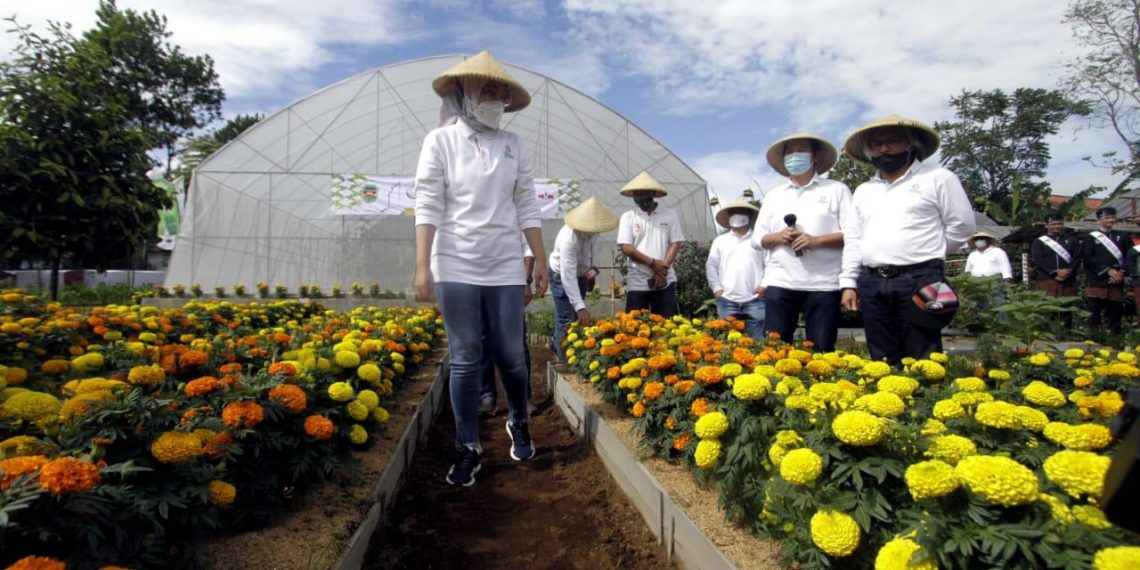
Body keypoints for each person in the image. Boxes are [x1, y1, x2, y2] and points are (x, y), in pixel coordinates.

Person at [413, 51, 548, 487]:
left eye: (501, 93)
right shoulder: (440, 142)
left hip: (505, 263)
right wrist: (422, 265)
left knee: (511, 353)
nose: (497, 99)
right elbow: (428, 202)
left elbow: (526, 203)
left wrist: (539, 259)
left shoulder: (514, 145)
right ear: (465, 93)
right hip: (455, 261)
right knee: (466, 355)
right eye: (488, 90)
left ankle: (518, 421)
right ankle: (468, 447)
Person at [839, 115, 976, 364]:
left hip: (919, 279)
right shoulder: (864, 190)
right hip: (872, 281)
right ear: (870, 151)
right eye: (877, 144)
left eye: (893, 141)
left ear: (911, 145)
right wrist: (849, 282)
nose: (884, 148)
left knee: (923, 356)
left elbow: (963, 225)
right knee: (881, 358)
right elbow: (854, 239)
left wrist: (930, 252)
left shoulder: (937, 177)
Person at [754, 133, 852, 351]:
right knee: (774, 351)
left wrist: (816, 240)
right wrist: (777, 237)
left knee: (821, 351)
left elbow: (852, 233)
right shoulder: (774, 196)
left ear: (815, 156)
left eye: (800, 151)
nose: (794, 156)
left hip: (823, 283)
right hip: (781, 282)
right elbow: (757, 239)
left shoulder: (836, 190)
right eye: (789, 152)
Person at [549, 196, 619, 360]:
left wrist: (590, 274)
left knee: (574, 318)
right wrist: (581, 307)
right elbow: (567, 276)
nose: (596, 230)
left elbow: (590, 253)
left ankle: (556, 346)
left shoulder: (593, 233)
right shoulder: (569, 239)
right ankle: (564, 362)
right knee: (567, 320)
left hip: (580, 274)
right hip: (561, 276)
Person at [478, 241, 537, 416]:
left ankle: (522, 396)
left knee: (516, 341)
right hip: (477, 280)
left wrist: (526, 280)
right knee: (482, 339)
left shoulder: (514, 222)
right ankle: (486, 395)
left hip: (510, 282)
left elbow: (528, 247)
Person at [616, 171, 685, 316]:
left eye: (642, 194)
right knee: (634, 325)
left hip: (665, 281)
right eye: (636, 195)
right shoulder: (628, 216)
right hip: (637, 282)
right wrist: (653, 263)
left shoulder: (669, 214)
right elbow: (627, 248)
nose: (639, 198)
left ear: (652, 193)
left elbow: (676, 243)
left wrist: (662, 271)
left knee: (665, 325)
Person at [707, 199, 766, 339]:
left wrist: (764, 286)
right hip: (727, 299)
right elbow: (711, 265)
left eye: (741, 211)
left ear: (750, 216)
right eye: (732, 212)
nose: (736, 215)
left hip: (755, 299)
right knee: (729, 343)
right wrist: (717, 289)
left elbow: (769, 264)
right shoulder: (720, 241)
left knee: (758, 343)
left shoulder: (760, 240)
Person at [1080, 206, 1129, 335]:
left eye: (1112, 217)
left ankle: (1115, 340)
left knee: (1115, 315)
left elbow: (1129, 257)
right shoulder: (1090, 238)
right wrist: (1107, 271)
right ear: (1099, 220)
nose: (1110, 220)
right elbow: (1088, 258)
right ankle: (1094, 339)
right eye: (1106, 218)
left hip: (1117, 281)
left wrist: (1121, 274)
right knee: (1094, 314)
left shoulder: (1123, 236)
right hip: (1097, 280)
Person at [1030, 212, 1079, 297]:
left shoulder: (1072, 240)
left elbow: (1077, 258)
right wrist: (1054, 272)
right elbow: (1038, 260)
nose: (1057, 226)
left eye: (1059, 224)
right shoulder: (1039, 242)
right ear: (1046, 225)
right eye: (1053, 224)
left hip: (1068, 279)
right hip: (1047, 279)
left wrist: (1067, 272)